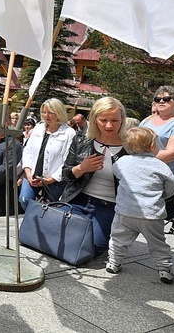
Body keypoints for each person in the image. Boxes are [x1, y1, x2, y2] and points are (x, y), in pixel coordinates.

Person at [106, 127, 174, 284]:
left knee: (118, 239)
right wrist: (160, 196)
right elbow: (172, 187)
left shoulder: (121, 162)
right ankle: (164, 270)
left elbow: (116, 175)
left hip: (124, 212)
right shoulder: (160, 165)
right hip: (151, 214)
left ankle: (114, 263)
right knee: (157, 243)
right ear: (152, 146)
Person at [61, 96, 128, 256]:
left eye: (115, 120)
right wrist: (81, 168)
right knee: (59, 235)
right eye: (103, 119)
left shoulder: (130, 147)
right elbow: (65, 174)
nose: (109, 125)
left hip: (109, 206)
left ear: (122, 120)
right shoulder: (81, 141)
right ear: (95, 119)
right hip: (77, 200)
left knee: (92, 247)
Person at [18, 98, 76, 210]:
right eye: (44, 112)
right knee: (24, 199)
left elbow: (67, 160)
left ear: (59, 113)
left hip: (55, 179)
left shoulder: (69, 133)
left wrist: (50, 180)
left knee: (52, 208)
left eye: (50, 113)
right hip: (33, 175)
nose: (46, 116)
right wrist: (28, 172)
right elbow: (28, 151)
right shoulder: (38, 128)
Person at [140, 86, 174, 221]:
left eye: (166, 99)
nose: (161, 101)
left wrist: (141, 160)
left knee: (156, 221)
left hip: (166, 179)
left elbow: (173, 153)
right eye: (158, 99)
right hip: (141, 175)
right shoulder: (146, 121)